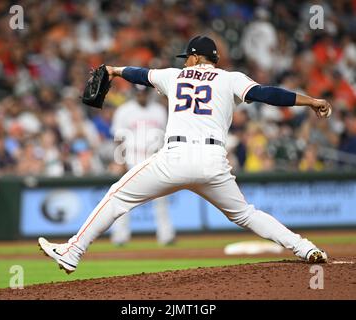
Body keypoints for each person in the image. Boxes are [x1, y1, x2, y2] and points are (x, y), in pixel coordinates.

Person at [39, 35, 331, 274]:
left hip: (176, 157)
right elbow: (268, 94)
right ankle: (304, 247)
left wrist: (114, 70)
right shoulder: (231, 79)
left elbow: (139, 75)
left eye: (187, 57)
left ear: (193, 58)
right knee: (246, 214)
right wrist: (310, 101)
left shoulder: (173, 76)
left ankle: (73, 251)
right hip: (213, 161)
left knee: (117, 196)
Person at [110, 85, 175, 246]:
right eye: (138, 93)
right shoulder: (124, 110)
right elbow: (118, 138)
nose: (141, 95)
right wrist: (120, 161)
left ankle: (166, 236)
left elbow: (167, 135)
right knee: (125, 198)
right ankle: (120, 236)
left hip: (155, 157)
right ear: (134, 94)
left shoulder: (159, 110)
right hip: (132, 157)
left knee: (161, 199)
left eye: (144, 92)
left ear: (149, 93)